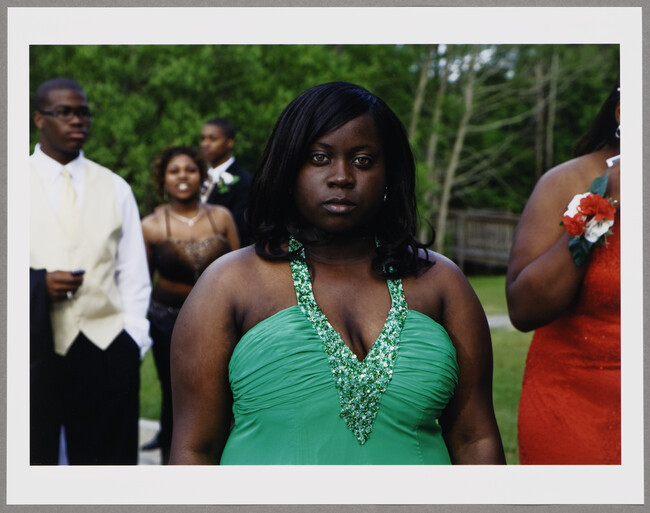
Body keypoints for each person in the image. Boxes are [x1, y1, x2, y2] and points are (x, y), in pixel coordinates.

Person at [169, 81, 505, 465]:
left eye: (363, 160)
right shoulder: (230, 283)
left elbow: (474, 438)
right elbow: (195, 450)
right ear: (288, 166)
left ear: (388, 174)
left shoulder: (441, 282)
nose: (342, 176)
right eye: (319, 158)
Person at [29, 77, 151, 465]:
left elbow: (133, 274)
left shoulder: (115, 187)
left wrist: (134, 339)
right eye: (64, 112)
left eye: (82, 112)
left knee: (104, 467)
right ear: (39, 118)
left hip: (105, 346)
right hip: (29, 349)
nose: (76, 120)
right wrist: (34, 285)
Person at [506, 81, 621, 464]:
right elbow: (524, 309)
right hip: (574, 410)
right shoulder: (566, 182)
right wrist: (604, 202)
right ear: (623, 115)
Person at [140, 145, 240, 464]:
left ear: (202, 175)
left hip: (223, 322)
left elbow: (243, 269)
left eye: (190, 169)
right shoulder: (151, 225)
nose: (183, 176)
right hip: (167, 322)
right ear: (163, 179)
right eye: (174, 171)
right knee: (175, 400)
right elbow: (141, 282)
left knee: (227, 396)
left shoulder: (222, 217)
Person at [200, 118, 252, 244]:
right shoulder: (196, 176)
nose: (205, 144)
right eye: (203, 138)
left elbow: (242, 228)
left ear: (229, 142)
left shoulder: (244, 180)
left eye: (213, 139)